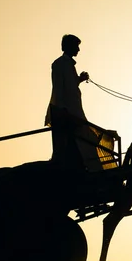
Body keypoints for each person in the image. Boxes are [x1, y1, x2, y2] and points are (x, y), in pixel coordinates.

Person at [45, 34, 102, 172]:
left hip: (73, 110)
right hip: (66, 112)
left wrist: (79, 80)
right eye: (76, 46)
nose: (78, 50)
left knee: (86, 139)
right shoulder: (59, 64)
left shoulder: (69, 65)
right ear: (69, 46)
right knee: (81, 140)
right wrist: (63, 110)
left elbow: (69, 86)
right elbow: (58, 88)